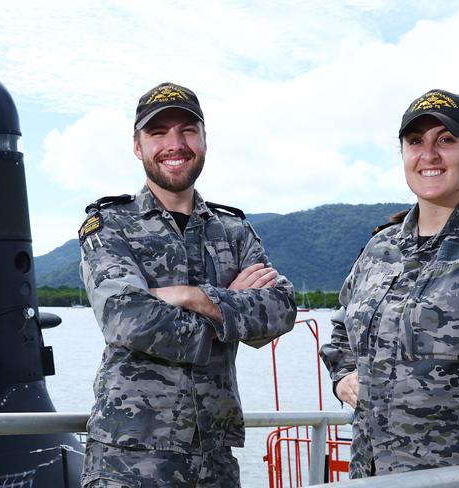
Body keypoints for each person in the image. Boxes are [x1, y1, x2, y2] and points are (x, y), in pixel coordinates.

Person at [320, 89, 459, 485]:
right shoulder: (380, 246)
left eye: (445, 140)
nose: (429, 154)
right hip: (371, 473)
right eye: (415, 142)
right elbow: (341, 327)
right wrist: (344, 375)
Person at [79, 82, 297, 487]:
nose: (174, 144)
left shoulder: (233, 229)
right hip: (129, 457)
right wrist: (230, 311)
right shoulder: (110, 225)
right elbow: (127, 320)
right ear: (137, 145)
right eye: (158, 132)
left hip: (214, 457)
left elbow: (282, 309)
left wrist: (193, 297)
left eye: (187, 130)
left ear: (204, 139)